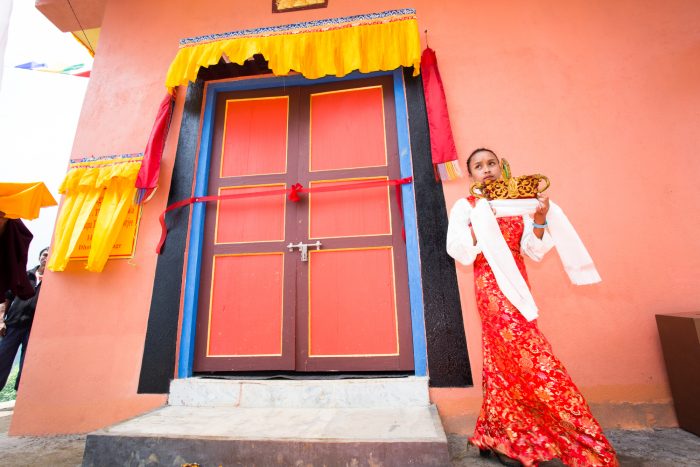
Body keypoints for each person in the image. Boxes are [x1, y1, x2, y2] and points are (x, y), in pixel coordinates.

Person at [446, 149, 618, 467]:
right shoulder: (467, 207)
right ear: (471, 176)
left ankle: (497, 434)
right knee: (532, 357)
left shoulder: (521, 206)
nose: (487, 170)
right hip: (492, 292)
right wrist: (482, 228)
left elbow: (534, 251)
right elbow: (459, 250)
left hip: (520, 290)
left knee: (501, 363)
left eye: (491, 163)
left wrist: (539, 219)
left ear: (503, 167)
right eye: (478, 166)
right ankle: (575, 433)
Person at [0, 247, 49, 392]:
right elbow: (6, 298)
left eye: (49, 255)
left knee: (26, 366)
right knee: (2, 359)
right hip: (13, 325)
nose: (46, 257)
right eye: (44, 254)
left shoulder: (53, 283)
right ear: (39, 257)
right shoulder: (24, 276)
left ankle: (19, 397)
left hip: (33, 330)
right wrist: (1, 320)